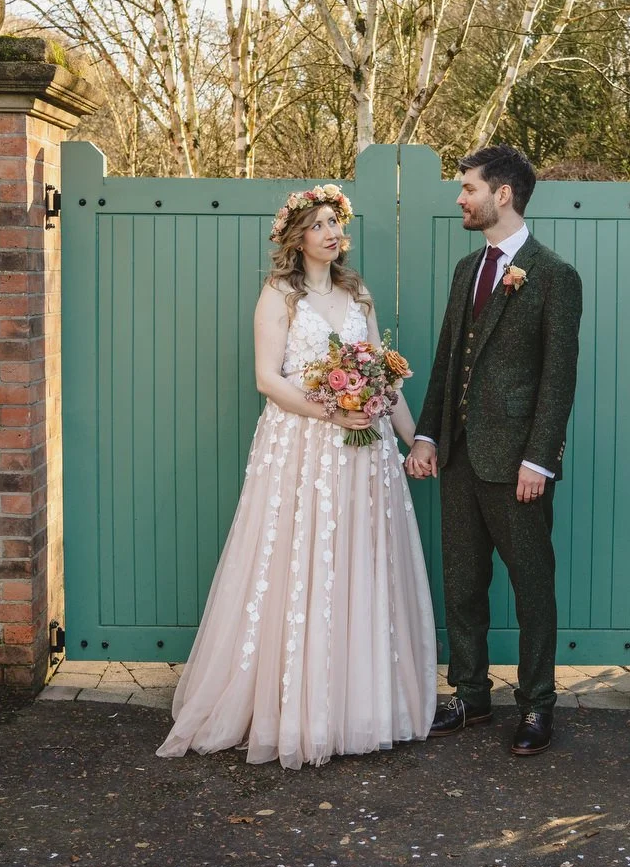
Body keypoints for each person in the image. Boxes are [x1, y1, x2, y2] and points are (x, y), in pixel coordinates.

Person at [157, 185, 437, 769]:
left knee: (358, 564)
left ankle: (362, 708)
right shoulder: (278, 295)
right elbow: (268, 379)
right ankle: (297, 710)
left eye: (336, 222)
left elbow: (384, 378)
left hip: (365, 452)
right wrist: (331, 411)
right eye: (319, 225)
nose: (332, 233)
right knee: (301, 563)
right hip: (303, 448)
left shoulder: (357, 293)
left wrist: (416, 439)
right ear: (297, 237)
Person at [405, 145, 582, 757]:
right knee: (462, 582)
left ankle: (537, 705)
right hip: (457, 457)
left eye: (468, 188)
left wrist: (540, 460)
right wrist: (427, 435)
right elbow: (447, 360)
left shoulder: (555, 276)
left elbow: (558, 378)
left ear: (501, 194)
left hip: (516, 466)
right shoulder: (466, 270)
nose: (461, 198)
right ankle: (471, 694)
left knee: (533, 585)